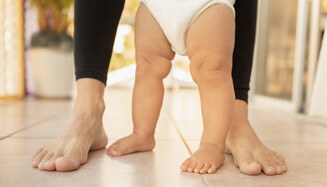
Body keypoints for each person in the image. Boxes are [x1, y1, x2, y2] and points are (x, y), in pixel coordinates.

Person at [31, 0, 287, 175]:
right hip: (155, 6)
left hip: (208, 5)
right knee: (147, 68)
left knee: (213, 71)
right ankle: (143, 133)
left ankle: (213, 143)